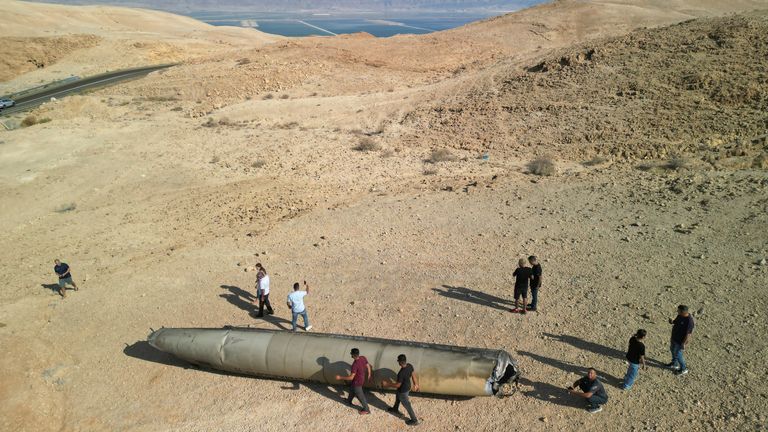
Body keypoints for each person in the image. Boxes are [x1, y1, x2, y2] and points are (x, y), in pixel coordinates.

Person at [382, 354, 420, 426]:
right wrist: (416, 384)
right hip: (407, 387)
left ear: (399, 362)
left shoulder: (401, 373)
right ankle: (395, 409)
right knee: (397, 397)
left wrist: (387, 384)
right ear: (405, 360)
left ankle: (414, 420)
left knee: (407, 405)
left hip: (403, 390)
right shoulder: (409, 366)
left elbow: (398, 385)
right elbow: (413, 375)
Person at [335, 348, 372, 415]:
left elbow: (351, 377)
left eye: (351, 354)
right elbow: (368, 366)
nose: (351, 355)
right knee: (352, 389)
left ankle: (367, 410)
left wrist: (340, 377)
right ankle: (348, 401)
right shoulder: (363, 358)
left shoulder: (355, 365)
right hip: (361, 379)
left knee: (361, 396)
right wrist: (369, 374)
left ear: (353, 355)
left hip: (357, 382)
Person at [668, 305, 695, 376]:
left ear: (683, 312)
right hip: (674, 338)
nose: (677, 311)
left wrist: (683, 343)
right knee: (672, 349)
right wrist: (672, 322)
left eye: (678, 310)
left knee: (678, 354)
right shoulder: (680, 316)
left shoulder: (689, 321)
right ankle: (674, 363)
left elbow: (688, 334)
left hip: (680, 341)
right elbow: (675, 322)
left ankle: (684, 369)